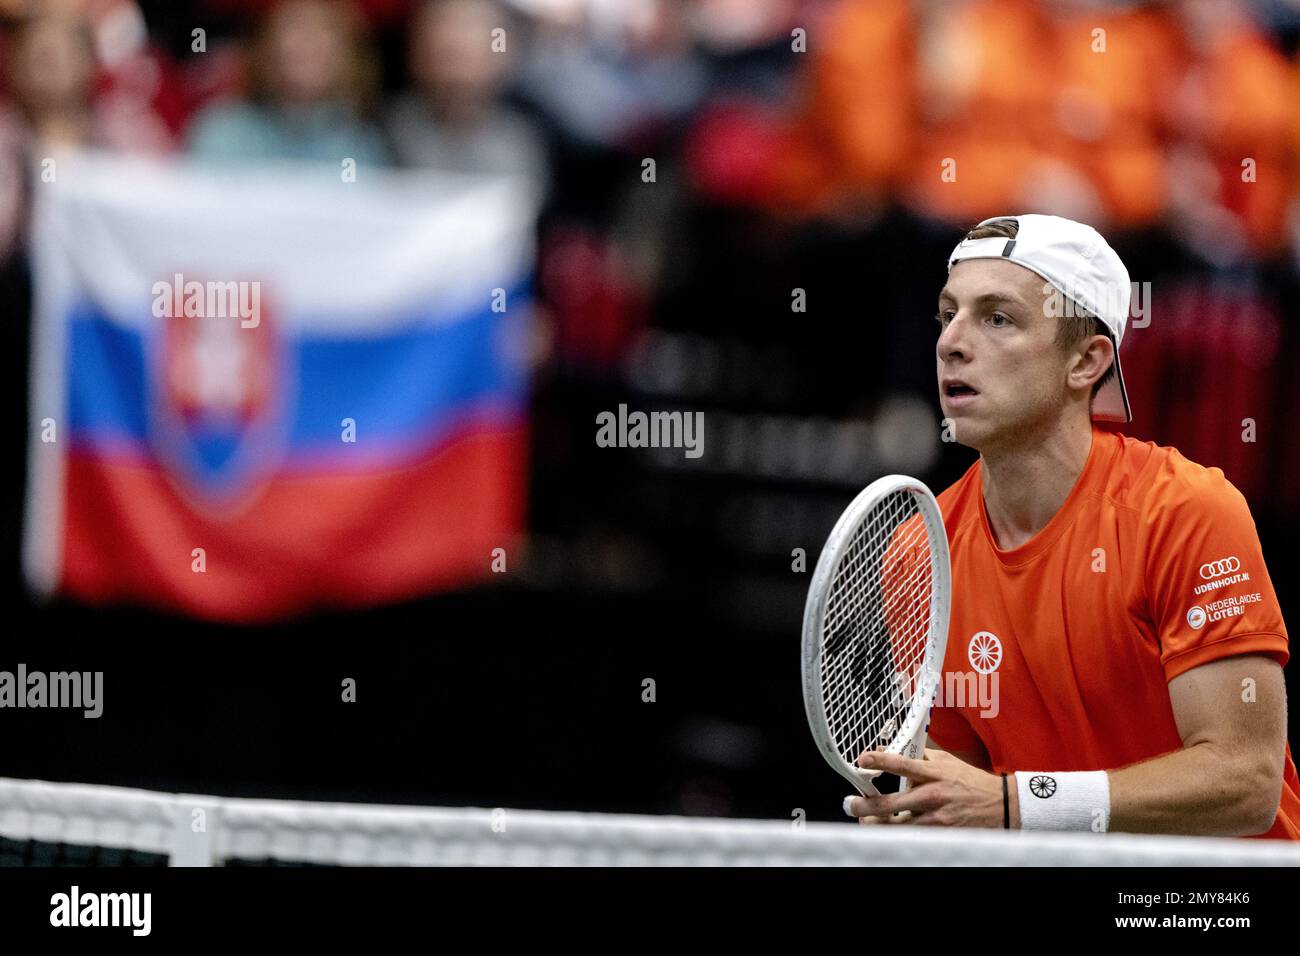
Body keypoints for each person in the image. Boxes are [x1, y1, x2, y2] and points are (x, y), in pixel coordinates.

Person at [843, 214, 1298, 838]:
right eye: (948, 314)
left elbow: (1245, 782)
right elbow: (964, 789)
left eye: (997, 318)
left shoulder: (1187, 513)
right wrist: (921, 824)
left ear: (1086, 362)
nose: (952, 341)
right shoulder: (920, 548)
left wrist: (1018, 803)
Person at [187, 0, 389, 165]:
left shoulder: (362, 146)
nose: (307, 43)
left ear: (348, 57)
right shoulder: (222, 133)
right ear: (264, 49)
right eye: (294, 28)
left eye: (323, 30)